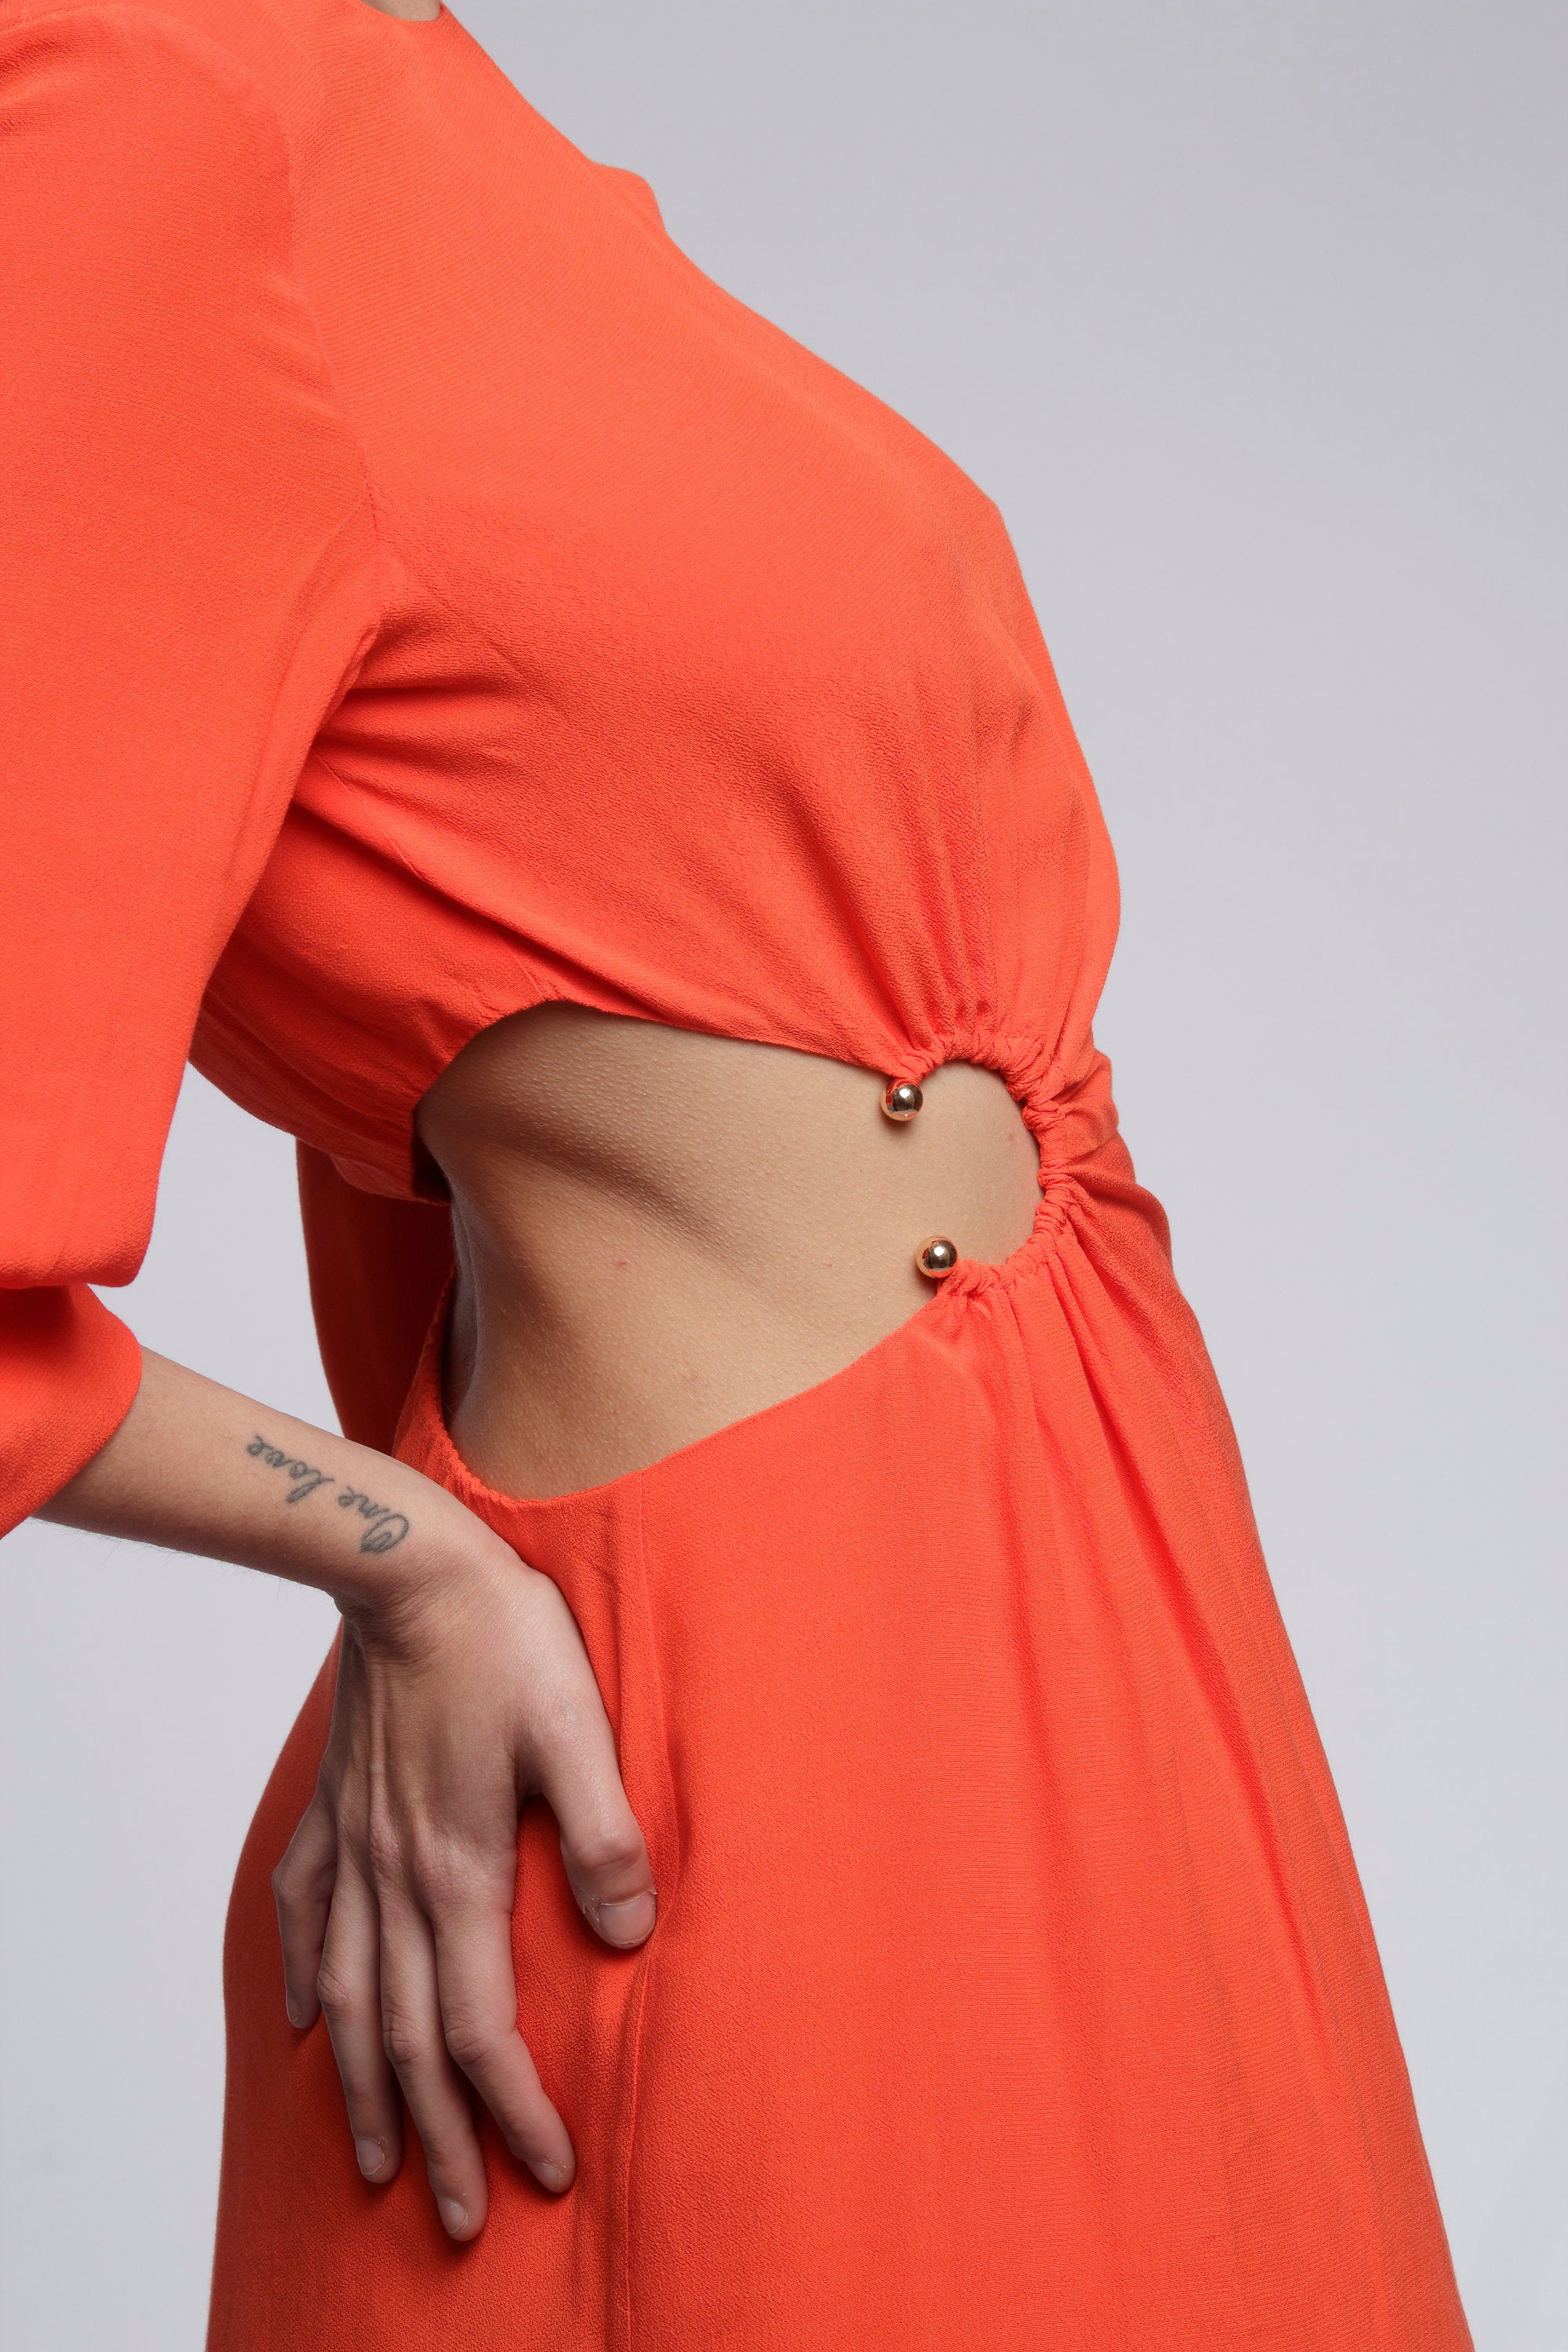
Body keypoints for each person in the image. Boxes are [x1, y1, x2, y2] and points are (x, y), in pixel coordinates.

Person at [2, 0, 1473, 2343]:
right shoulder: (140, 104)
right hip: (733, 1757)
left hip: (1094, 1606)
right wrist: (406, 1565)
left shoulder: (393, 77)